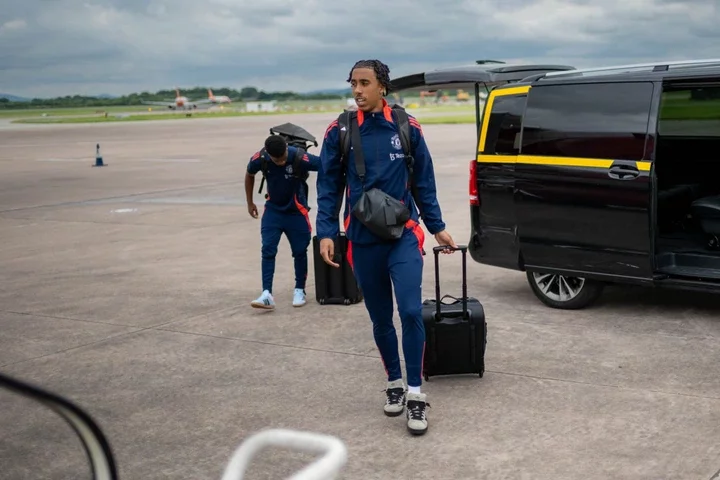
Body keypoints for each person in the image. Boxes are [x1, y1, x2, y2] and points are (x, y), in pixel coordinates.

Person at [315, 59, 457, 436]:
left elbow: (424, 181)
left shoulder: (407, 128)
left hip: (404, 236)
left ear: (382, 87)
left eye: (364, 83)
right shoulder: (339, 131)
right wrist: (326, 231)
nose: (357, 91)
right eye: (353, 84)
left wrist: (437, 226)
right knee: (380, 319)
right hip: (362, 240)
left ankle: (414, 393)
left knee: (410, 310)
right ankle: (394, 383)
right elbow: (328, 188)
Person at [245, 134, 321, 309]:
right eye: (275, 160)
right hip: (273, 212)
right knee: (268, 249)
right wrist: (250, 202)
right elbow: (249, 174)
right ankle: (266, 293)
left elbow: (325, 165)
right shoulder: (261, 158)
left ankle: (300, 289)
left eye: (282, 159)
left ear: (287, 149)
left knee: (300, 252)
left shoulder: (299, 157)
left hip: (297, 213)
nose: (280, 162)